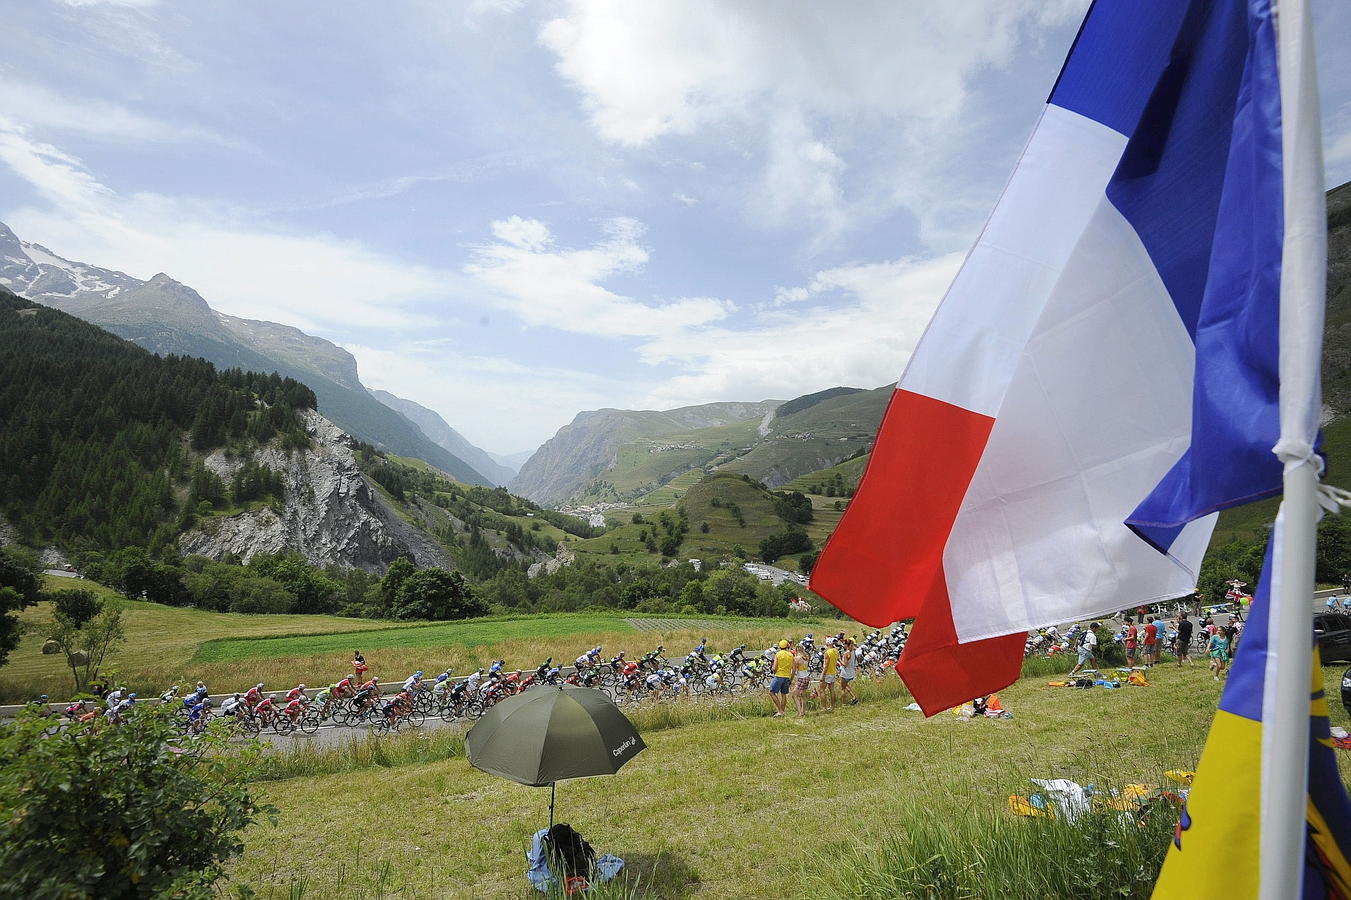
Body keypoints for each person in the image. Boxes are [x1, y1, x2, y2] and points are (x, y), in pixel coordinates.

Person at [768, 640, 793, 718]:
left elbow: (774, 667)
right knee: (784, 695)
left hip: (779, 675)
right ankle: (782, 711)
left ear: (779, 647)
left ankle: (780, 711)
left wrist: (773, 670)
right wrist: (791, 678)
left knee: (771, 692)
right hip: (787, 676)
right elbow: (793, 668)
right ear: (787, 646)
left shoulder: (778, 654)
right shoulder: (790, 655)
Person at [791, 641, 812, 717]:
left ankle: (800, 712)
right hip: (807, 676)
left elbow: (794, 670)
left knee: (794, 695)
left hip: (801, 677)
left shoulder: (797, 658)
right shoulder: (806, 657)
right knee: (803, 695)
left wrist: (791, 679)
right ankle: (803, 711)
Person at [838, 637, 860, 706]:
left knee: (842, 689)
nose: (843, 645)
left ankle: (844, 703)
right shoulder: (853, 651)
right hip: (851, 672)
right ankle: (854, 697)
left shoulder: (846, 653)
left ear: (847, 645)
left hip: (845, 673)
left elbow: (845, 665)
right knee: (846, 686)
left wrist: (839, 660)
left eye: (844, 644)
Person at [820, 638, 840, 712]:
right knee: (831, 689)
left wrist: (822, 675)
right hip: (833, 671)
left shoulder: (827, 652)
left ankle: (824, 707)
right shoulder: (835, 651)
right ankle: (832, 706)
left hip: (827, 673)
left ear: (828, 643)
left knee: (821, 690)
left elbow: (826, 665)